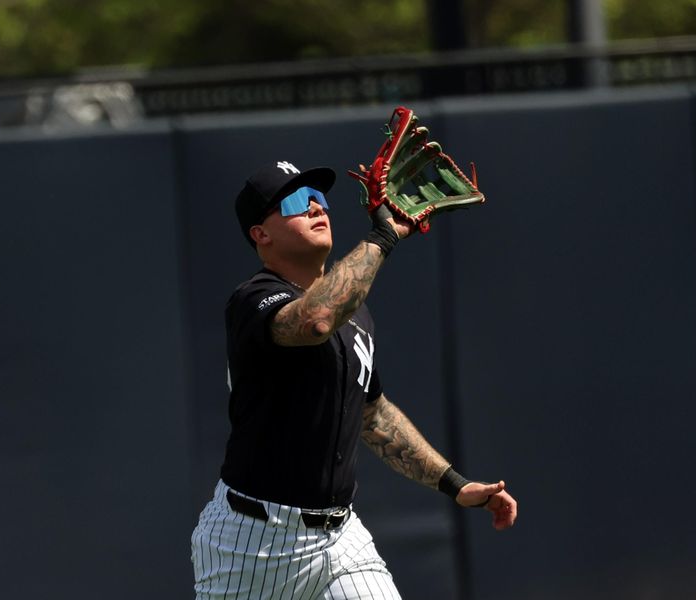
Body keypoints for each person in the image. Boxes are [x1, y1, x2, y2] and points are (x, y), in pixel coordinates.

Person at [191, 160, 517, 599]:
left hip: (341, 539)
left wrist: (454, 484)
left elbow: (372, 413)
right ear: (260, 234)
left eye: (319, 197)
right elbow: (315, 321)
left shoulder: (355, 314)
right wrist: (382, 237)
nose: (313, 207)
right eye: (292, 201)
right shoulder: (253, 299)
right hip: (251, 544)